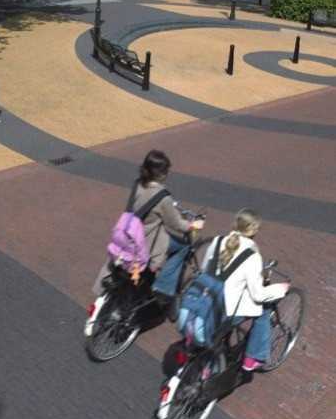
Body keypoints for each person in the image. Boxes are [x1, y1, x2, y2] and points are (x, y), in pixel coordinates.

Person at [92, 150, 203, 297]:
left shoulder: (138, 184)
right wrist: (192, 225)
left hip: (127, 234)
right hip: (146, 241)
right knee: (183, 247)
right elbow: (175, 224)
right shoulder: (163, 197)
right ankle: (163, 288)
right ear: (162, 174)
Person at [200, 209, 289, 371]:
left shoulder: (217, 241)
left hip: (203, 301)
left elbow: (204, 269)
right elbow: (258, 294)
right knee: (264, 310)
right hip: (225, 311)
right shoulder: (252, 256)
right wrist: (279, 289)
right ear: (254, 230)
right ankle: (252, 358)